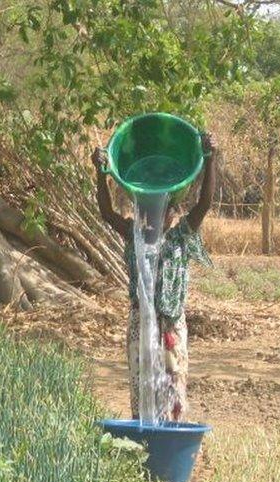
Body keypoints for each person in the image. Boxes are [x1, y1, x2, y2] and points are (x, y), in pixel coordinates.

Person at [92, 133, 216, 422]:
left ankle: (170, 438)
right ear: (143, 213)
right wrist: (100, 173)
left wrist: (210, 158)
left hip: (171, 322)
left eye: (168, 211)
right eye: (151, 210)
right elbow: (105, 212)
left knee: (173, 384)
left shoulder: (180, 238)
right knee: (142, 383)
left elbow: (205, 203)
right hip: (140, 322)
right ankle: (145, 440)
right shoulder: (134, 237)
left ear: (173, 215)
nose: (162, 216)